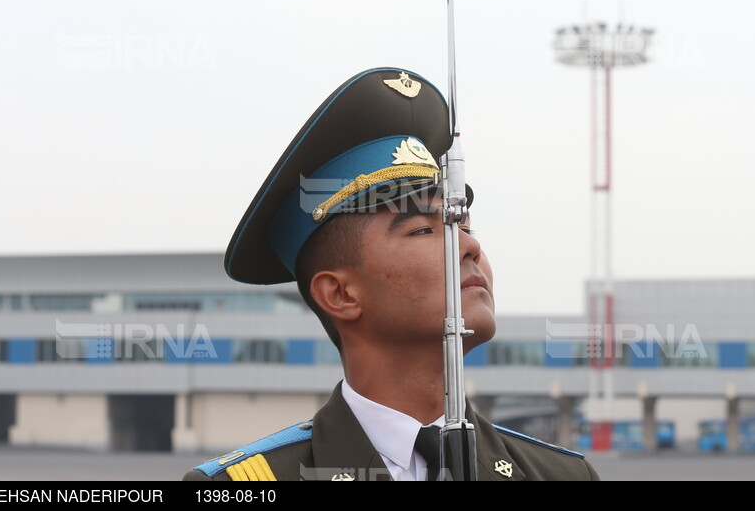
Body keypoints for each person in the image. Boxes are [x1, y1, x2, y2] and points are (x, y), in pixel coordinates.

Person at [183, 68, 599, 481]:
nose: (470, 247)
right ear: (340, 294)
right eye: (422, 230)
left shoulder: (562, 474)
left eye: (463, 227)